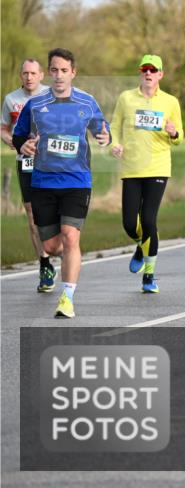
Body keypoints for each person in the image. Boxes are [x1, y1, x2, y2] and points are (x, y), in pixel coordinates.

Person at [12, 48, 111, 318]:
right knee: (51, 246)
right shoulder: (35, 104)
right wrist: (25, 147)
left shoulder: (87, 102)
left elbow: (103, 129)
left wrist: (105, 138)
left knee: (70, 237)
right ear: (49, 72)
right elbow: (18, 136)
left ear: (73, 73)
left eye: (64, 70)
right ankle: (54, 265)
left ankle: (67, 297)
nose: (58, 75)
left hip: (77, 181)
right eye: (54, 70)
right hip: (43, 182)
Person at [109, 54, 184, 293]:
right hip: (131, 167)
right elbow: (114, 126)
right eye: (145, 70)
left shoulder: (171, 102)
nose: (148, 74)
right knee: (130, 223)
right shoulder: (126, 98)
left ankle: (149, 276)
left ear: (161, 74)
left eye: (153, 70)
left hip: (158, 166)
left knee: (149, 220)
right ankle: (142, 246)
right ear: (140, 73)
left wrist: (173, 132)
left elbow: (179, 137)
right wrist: (114, 145)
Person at [1, 58, 54, 290]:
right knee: (32, 215)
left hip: (53, 161)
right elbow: (3, 128)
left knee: (55, 211)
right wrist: (11, 140)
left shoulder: (53, 95)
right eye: (25, 73)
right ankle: (44, 264)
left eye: (33, 73)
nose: (29, 77)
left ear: (41, 75)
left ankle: (61, 246)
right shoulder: (12, 100)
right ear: (21, 76)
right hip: (27, 162)